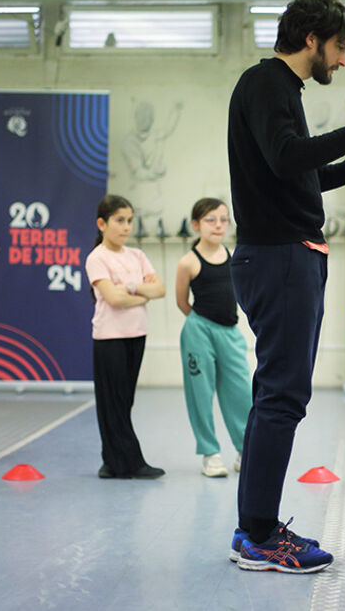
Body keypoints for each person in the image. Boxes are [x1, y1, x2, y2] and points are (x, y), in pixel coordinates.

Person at [226, 0, 345, 574]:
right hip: (279, 260)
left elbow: (298, 174)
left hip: (284, 257)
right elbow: (289, 156)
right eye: (341, 47)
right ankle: (262, 536)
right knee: (283, 397)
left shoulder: (277, 90)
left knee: (276, 394)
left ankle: (252, 532)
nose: (342, 60)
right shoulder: (266, 83)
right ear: (313, 39)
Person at [85, 194, 166, 480]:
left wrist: (130, 287)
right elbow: (112, 299)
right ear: (102, 224)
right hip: (110, 338)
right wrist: (140, 294)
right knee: (113, 402)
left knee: (125, 400)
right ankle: (130, 462)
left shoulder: (137, 256)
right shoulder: (97, 259)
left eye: (129, 221)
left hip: (136, 334)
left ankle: (112, 462)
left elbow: (159, 290)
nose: (126, 227)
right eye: (119, 220)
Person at [174, 198, 251, 478]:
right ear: (196, 225)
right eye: (210, 220)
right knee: (201, 393)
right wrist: (200, 325)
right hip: (199, 330)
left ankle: (245, 450)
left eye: (223, 219)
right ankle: (210, 453)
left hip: (230, 332)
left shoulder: (235, 256)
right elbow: (182, 301)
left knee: (241, 393)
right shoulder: (188, 262)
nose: (218, 225)